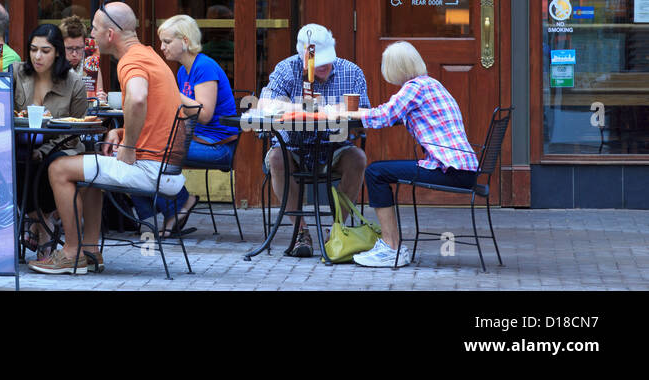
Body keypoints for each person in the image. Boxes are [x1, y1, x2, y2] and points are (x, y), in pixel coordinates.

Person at [30, 2, 191, 275]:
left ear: (111, 34)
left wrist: (128, 146)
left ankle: (70, 252)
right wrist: (121, 131)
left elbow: (138, 98)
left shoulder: (131, 61)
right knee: (91, 167)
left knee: (58, 168)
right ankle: (90, 250)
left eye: (95, 29)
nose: (91, 35)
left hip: (150, 167)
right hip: (165, 166)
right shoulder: (149, 55)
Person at [350, 41, 480, 268]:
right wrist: (359, 112)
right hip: (463, 168)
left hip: (449, 169)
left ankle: (391, 248)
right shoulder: (431, 85)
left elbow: (384, 116)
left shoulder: (414, 88)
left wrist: (349, 113)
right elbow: (394, 115)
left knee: (375, 172)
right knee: (378, 171)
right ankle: (392, 246)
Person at [261, 23, 370, 258]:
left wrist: (340, 111)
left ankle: (336, 231)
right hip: (293, 147)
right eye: (315, 60)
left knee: (358, 159)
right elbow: (265, 105)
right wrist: (300, 107)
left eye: (326, 58)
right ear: (301, 56)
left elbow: (365, 114)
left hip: (335, 147)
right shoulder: (286, 69)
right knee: (277, 158)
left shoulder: (351, 71)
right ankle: (301, 232)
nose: (323, 65)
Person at [138, 14, 239, 236]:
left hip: (217, 147)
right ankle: (159, 214)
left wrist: (170, 91)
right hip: (194, 141)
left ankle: (180, 204)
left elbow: (203, 115)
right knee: (138, 151)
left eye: (166, 41)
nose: (162, 47)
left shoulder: (204, 67)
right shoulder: (184, 70)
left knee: (150, 154)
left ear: (184, 41)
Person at [13, 23, 89, 258]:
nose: (37, 56)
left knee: (47, 163)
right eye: (33, 49)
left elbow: (75, 128)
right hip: (21, 141)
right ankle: (42, 221)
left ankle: (39, 224)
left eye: (45, 51)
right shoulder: (16, 72)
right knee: (13, 160)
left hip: (60, 145)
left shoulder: (73, 82)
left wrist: (44, 149)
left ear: (57, 52)